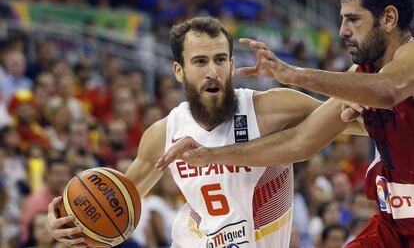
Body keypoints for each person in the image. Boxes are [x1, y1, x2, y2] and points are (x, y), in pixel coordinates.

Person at [47, 17, 362, 248]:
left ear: (231, 64)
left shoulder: (272, 109)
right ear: (178, 70)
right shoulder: (162, 133)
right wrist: (69, 223)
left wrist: (362, 99)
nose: (212, 70)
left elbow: (357, 124)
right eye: (200, 61)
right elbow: (119, 209)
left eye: (220, 59)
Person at [156, 0, 414, 248]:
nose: (343, 31)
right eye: (342, 19)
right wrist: (212, 155)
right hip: (394, 226)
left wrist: (294, 75)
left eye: (353, 19)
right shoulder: (362, 75)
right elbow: (300, 141)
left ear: (388, 18)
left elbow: (389, 90)